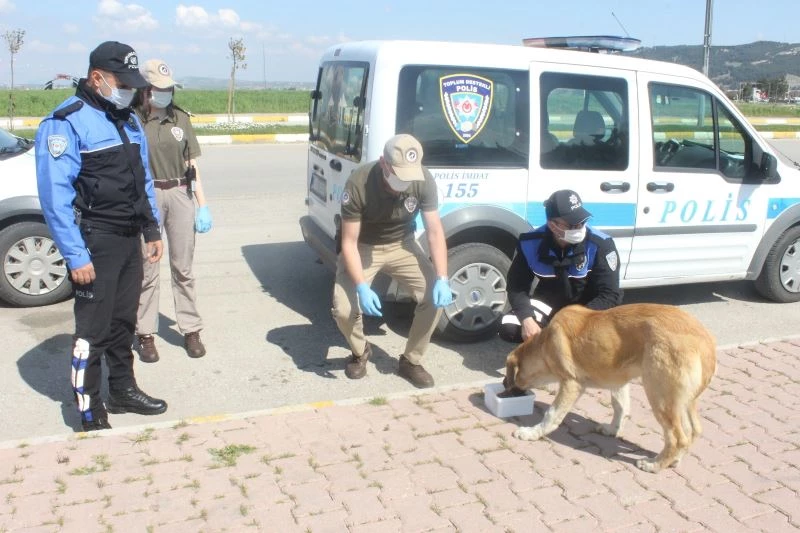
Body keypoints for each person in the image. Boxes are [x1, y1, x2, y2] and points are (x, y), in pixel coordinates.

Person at [35, 41, 167, 432]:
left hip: (128, 238)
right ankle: (89, 409)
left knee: (123, 322)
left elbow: (142, 180)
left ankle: (123, 390)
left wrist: (151, 228)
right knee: (92, 331)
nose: (127, 91)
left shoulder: (127, 119)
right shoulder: (66, 122)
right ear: (97, 78)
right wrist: (75, 255)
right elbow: (55, 197)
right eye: (121, 83)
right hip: (95, 239)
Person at [332, 134, 452, 388]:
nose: (403, 182)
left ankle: (411, 360)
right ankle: (360, 351)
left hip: (402, 244)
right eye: (398, 174)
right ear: (383, 163)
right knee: (344, 309)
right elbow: (349, 242)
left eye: (408, 175)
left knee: (434, 298)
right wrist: (361, 287)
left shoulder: (422, 179)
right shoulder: (359, 183)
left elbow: (434, 231)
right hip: (363, 246)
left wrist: (442, 277)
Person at [132, 59, 212, 363]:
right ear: (145, 89)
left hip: (179, 192)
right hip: (148, 195)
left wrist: (203, 205)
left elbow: (192, 165)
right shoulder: (132, 120)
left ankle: (190, 329)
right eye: (158, 88)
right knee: (148, 268)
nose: (164, 93)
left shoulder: (180, 118)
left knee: (183, 268)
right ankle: (145, 333)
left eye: (168, 88)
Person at [499, 189, 623, 344]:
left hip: (589, 307)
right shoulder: (530, 243)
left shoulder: (601, 244)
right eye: (572, 225)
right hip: (549, 303)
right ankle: (548, 348)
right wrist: (526, 319)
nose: (580, 228)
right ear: (553, 226)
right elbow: (516, 287)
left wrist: (574, 319)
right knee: (510, 327)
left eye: (582, 222)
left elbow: (610, 294)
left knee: (589, 341)